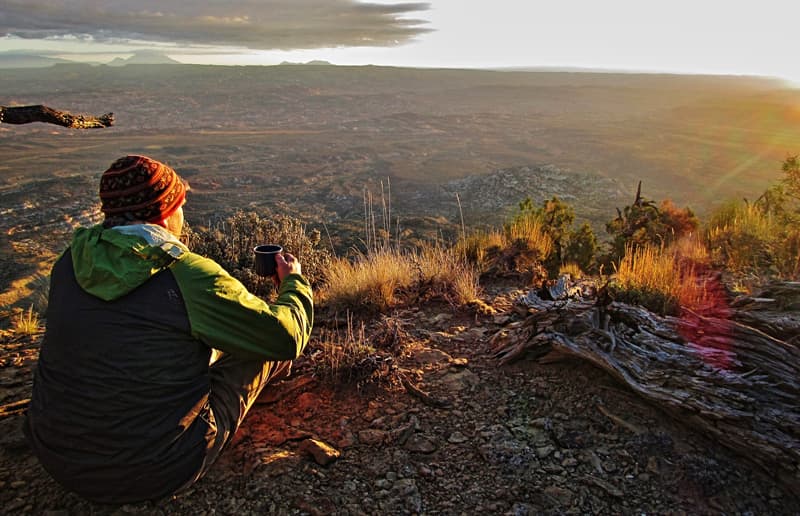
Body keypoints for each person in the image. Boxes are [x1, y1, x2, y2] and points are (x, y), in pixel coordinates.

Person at [25, 155, 314, 504]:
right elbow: (286, 337)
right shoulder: (185, 273)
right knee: (259, 348)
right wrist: (294, 283)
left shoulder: (70, 262)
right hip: (153, 469)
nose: (183, 216)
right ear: (165, 213)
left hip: (55, 456)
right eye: (182, 205)